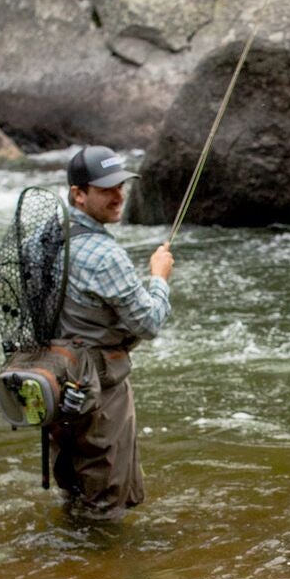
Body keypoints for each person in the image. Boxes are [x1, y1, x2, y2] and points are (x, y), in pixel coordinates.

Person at [53, 145, 174, 520]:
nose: (119, 196)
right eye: (107, 189)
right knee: (106, 501)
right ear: (79, 194)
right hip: (98, 391)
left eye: (121, 185)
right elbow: (149, 323)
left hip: (54, 385)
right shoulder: (105, 256)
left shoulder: (44, 239)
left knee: (73, 486)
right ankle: (100, 554)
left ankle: (65, 551)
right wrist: (159, 277)